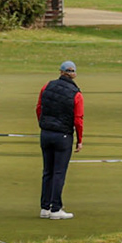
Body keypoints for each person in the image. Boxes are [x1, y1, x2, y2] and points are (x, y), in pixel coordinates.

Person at [36, 61, 82, 219]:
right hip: (63, 136)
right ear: (73, 74)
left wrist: (43, 125)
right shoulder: (76, 93)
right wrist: (79, 139)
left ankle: (44, 208)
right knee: (59, 173)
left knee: (47, 171)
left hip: (46, 133)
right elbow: (78, 119)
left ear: (61, 72)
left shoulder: (47, 86)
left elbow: (39, 108)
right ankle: (56, 209)